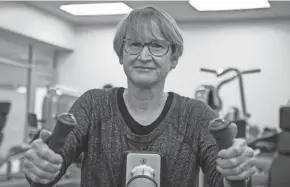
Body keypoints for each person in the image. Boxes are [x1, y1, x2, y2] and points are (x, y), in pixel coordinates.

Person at [23, 6, 257, 187]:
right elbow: (48, 172)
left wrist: (235, 172)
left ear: (173, 58)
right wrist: (41, 166)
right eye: (134, 44)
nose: (144, 55)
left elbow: (224, 180)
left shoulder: (196, 115)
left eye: (156, 45)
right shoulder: (93, 105)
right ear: (121, 54)